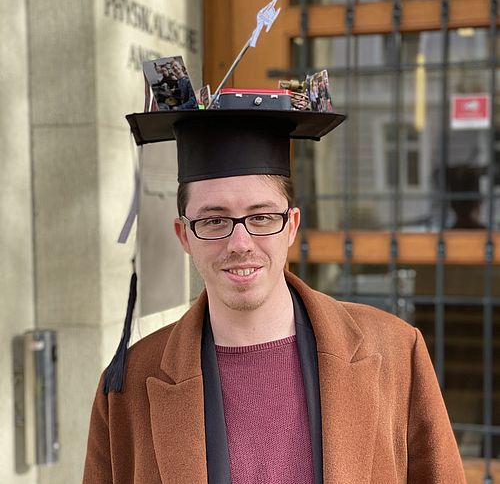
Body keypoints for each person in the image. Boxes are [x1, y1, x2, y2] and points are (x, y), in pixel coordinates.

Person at [83, 107, 466, 483]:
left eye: (261, 217)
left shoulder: (396, 352)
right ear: (184, 235)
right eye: (214, 220)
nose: (240, 243)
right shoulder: (127, 389)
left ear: (291, 226)